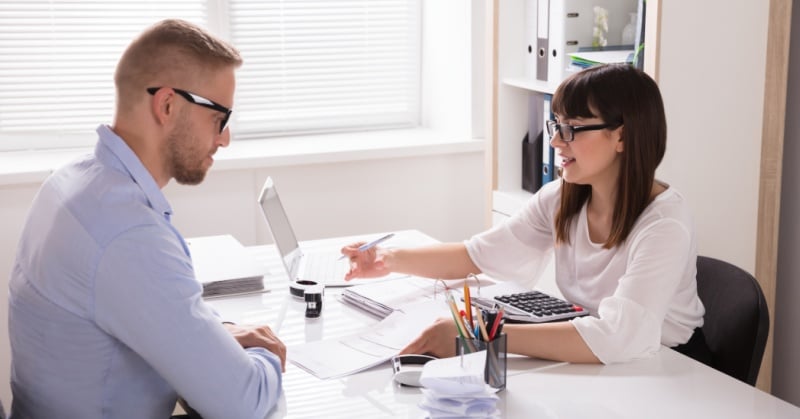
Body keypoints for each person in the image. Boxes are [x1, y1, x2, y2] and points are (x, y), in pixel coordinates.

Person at [8, 19, 285, 418]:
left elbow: (148, 308)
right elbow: (242, 403)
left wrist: (219, 337)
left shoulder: (70, 181)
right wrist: (263, 353)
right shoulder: (126, 233)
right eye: (219, 117)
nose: (225, 138)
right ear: (168, 105)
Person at [342, 63, 706, 365]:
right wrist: (387, 259)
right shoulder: (564, 197)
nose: (554, 142)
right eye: (555, 125)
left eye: (571, 128)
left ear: (622, 137)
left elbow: (620, 337)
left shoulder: (664, 225)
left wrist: (480, 335)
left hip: (668, 367)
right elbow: (478, 254)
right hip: (599, 354)